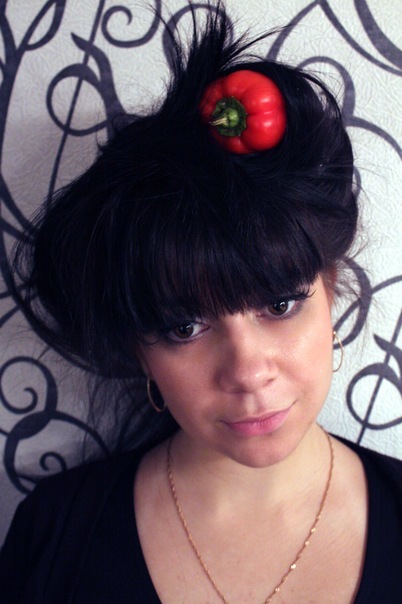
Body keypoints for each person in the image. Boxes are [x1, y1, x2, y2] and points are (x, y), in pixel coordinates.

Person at [0, 3, 401, 603]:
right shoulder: (54, 536)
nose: (247, 371)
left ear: (331, 289)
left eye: (280, 305)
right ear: (140, 351)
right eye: (184, 326)